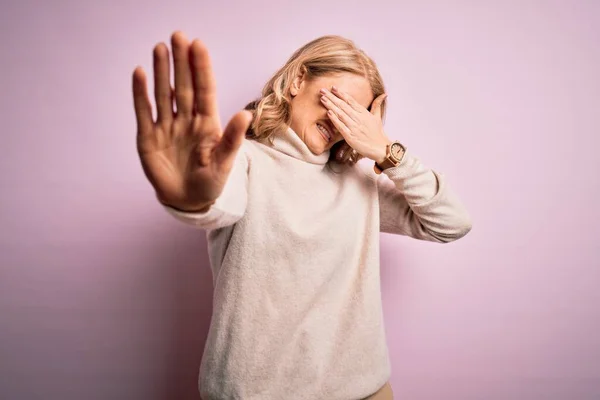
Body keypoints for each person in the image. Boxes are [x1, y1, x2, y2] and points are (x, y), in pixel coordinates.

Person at [132, 31, 472, 400]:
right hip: (254, 393)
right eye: (338, 101)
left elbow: (451, 224)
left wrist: (388, 152)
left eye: (356, 117)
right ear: (297, 81)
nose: (341, 123)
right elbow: (218, 204)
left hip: (363, 390)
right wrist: (193, 197)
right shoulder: (244, 161)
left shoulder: (358, 183)